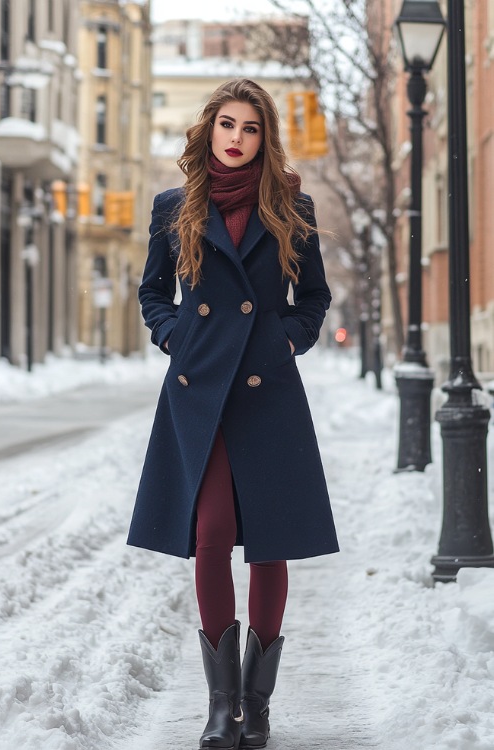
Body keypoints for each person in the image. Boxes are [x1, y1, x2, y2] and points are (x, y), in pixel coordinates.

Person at [127, 78, 339, 750]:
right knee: (213, 529)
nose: (237, 138)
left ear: (263, 137)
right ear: (209, 130)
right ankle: (223, 708)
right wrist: (170, 334)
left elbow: (314, 299)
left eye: (250, 128)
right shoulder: (175, 206)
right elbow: (152, 291)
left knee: (270, 542)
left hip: (266, 389)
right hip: (200, 390)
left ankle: (258, 705)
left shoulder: (291, 207)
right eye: (228, 124)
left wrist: (285, 340)